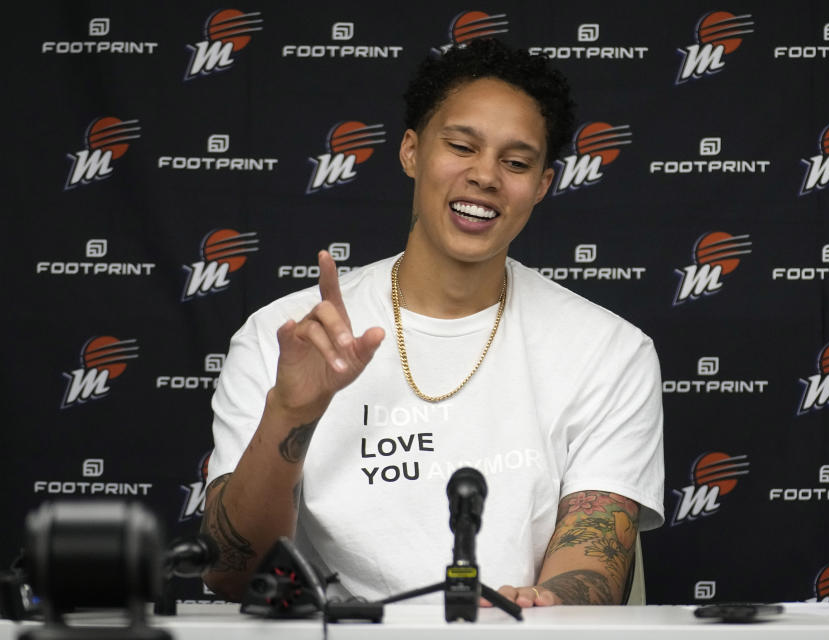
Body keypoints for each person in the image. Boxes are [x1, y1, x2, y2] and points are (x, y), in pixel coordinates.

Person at [201, 38, 664, 607]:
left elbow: (592, 564)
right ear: (411, 152)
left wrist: (545, 605)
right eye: (461, 146)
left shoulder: (609, 350)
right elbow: (229, 572)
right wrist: (291, 412)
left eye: (516, 162)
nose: (485, 176)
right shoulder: (288, 335)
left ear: (542, 184)